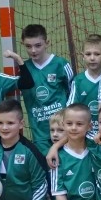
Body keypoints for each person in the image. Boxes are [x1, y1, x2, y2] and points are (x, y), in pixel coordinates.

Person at [19, 24, 74, 154]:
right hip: (39, 134)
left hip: (64, 131)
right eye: (28, 46)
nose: (33, 50)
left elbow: (73, 93)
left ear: (47, 43)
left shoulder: (61, 64)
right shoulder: (23, 70)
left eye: (38, 45)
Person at [67, 34, 101, 135]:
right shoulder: (78, 81)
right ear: (83, 56)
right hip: (85, 135)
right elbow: (70, 108)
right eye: (88, 54)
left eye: (97, 54)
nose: (92, 58)